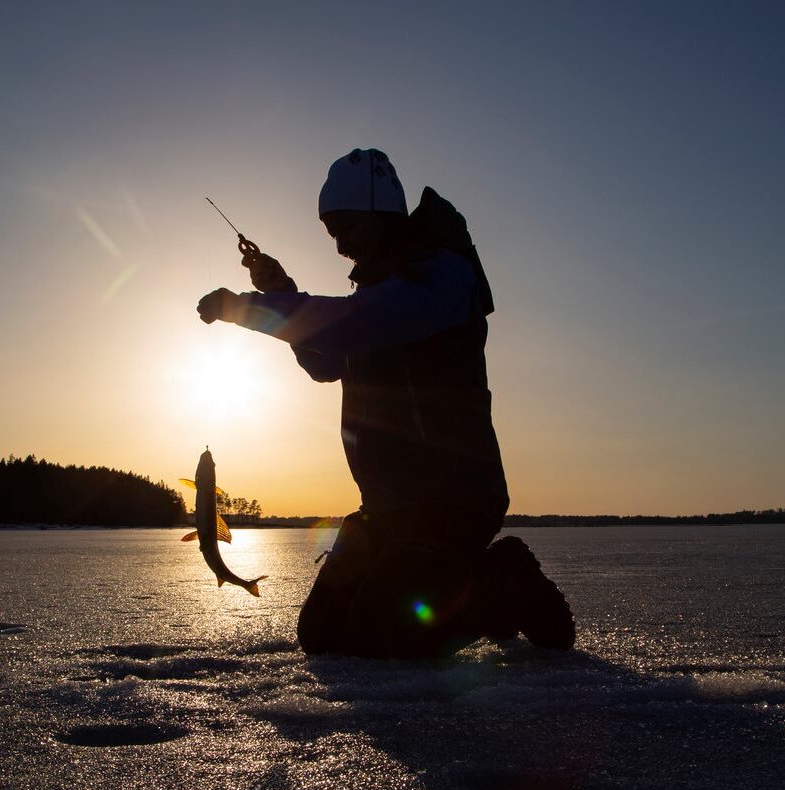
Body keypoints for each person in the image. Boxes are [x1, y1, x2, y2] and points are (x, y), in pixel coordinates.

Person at [197, 148, 574, 658]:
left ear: (381, 215)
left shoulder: (439, 278)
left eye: (348, 230)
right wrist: (281, 290)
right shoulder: (382, 294)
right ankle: (447, 585)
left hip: (449, 501)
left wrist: (250, 307)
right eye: (333, 235)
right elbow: (325, 362)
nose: (341, 248)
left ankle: (500, 582)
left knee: (383, 638)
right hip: (387, 506)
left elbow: (355, 324)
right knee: (324, 637)